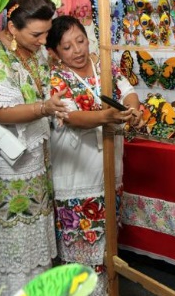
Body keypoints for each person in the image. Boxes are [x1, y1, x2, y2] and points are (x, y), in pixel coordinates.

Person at [45, 15, 143, 295]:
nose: (77, 50)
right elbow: (71, 116)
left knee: (107, 242)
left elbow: (129, 92)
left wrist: (132, 110)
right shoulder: (56, 78)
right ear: (54, 53)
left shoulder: (104, 67)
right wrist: (108, 116)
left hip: (109, 167)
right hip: (77, 172)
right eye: (66, 47)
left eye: (80, 40)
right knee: (79, 248)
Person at [0, 0, 70, 293]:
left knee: (37, 230)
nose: (44, 41)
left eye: (46, 33)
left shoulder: (36, 53)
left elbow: (48, 89)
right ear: (12, 27)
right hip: (11, 163)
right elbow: (3, 113)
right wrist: (44, 107)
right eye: (36, 34)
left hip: (40, 155)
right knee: (16, 236)